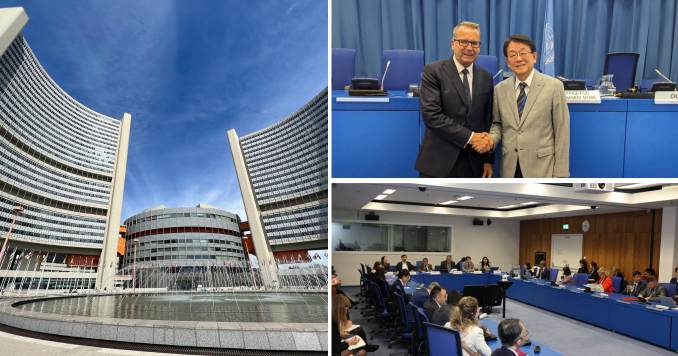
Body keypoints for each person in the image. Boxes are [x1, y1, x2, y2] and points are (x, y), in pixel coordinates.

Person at [415, 21, 495, 178]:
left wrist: (488, 160)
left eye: (474, 43)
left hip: (474, 163)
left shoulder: (486, 77)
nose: (469, 47)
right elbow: (432, 116)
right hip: (439, 163)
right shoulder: (433, 71)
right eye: (463, 42)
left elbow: (488, 120)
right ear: (453, 44)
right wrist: (471, 137)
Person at [488, 34, 569, 178]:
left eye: (523, 53)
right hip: (510, 168)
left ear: (534, 56)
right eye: (512, 55)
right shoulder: (499, 89)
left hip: (543, 168)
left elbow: (562, 130)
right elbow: (497, 124)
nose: (518, 59)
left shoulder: (554, 86)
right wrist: (490, 140)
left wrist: (560, 172)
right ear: (507, 61)